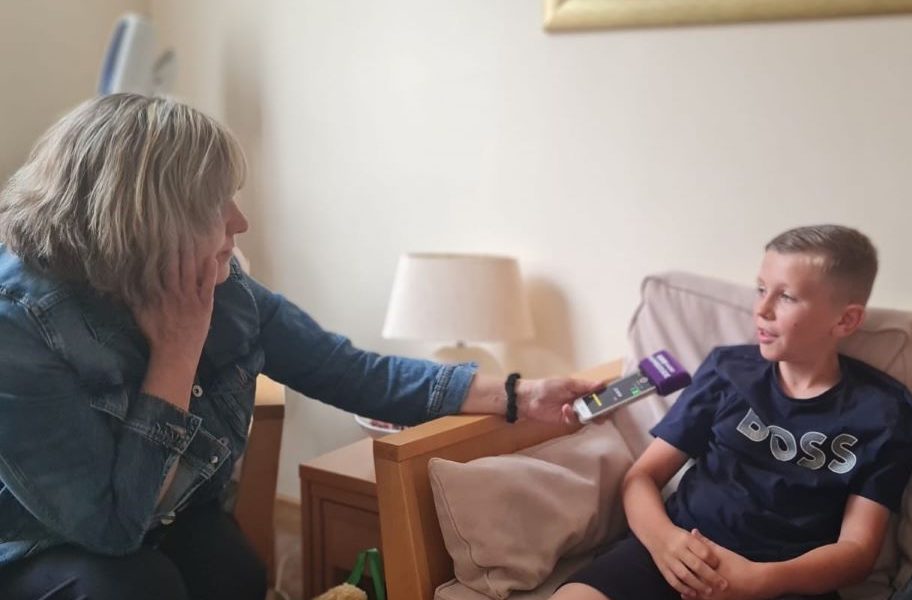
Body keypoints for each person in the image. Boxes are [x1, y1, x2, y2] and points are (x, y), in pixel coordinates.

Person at [0, 93, 601, 600]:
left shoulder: (223, 286)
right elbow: (110, 528)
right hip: (44, 541)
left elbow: (351, 371)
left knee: (234, 569)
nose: (240, 222)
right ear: (149, 223)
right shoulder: (20, 330)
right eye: (216, 204)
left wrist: (522, 394)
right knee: (133, 587)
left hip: (163, 512)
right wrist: (176, 353)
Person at [553, 225, 912, 600]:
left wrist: (764, 580)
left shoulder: (885, 413)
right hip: (675, 553)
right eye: (761, 289)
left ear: (845, 320)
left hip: (784, 582)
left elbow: (858, 552)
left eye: (786, 297)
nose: (762, 310)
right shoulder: (728, 370)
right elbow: (642, 477)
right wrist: (665, 542)